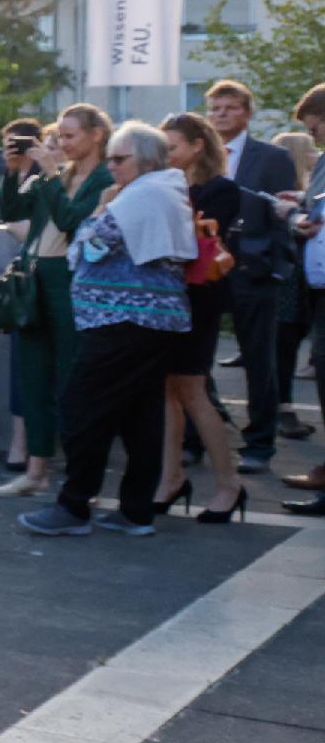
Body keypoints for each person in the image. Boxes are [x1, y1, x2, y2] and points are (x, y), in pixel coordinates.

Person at [20, 122, 195, 536]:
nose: (112, 167)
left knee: (82, 406)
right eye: (111, 158)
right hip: (150, 319)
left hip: (124, 319)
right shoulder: (163, 189)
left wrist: (98, 212)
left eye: (120, 159)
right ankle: (136, 510)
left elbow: (88, 249)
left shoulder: (141, 195)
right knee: (140, 414)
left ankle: (74, 505)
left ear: (147, 160)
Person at [0, 104, 113, 500]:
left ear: (97, 135)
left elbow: (73, 220)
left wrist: (52, 176)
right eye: (58, 136)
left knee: (72, 381)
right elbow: (12, 210)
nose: (61, 143)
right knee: (33, 377)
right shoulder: (55, 175)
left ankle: (80, 474)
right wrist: (13, 172)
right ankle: (36, 469)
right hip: (35, 279)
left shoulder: (104, 178)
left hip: (71, 281)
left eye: (70, 135)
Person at [154, 114, 247, 522]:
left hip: (200, 298)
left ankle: (229, 485)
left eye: (172, 147)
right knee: (166, 392)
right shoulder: (164, 185)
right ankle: (170, 478)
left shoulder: (221, 190)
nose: (166, 155)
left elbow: (196, 240)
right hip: (168, 297)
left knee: (192, 391)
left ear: (197, 146)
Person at [201, 80, 297, 469]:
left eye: (231, 107)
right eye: (215, 108)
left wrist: (275, 265)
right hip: (205, 267)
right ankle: (196, 435)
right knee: (194, 360)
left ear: (247, 113)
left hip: (253, 270)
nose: (221, 114)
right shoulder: (199, 156)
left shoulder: (271, 157)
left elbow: (284, 212)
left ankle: (259, 443)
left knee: (259, 361)